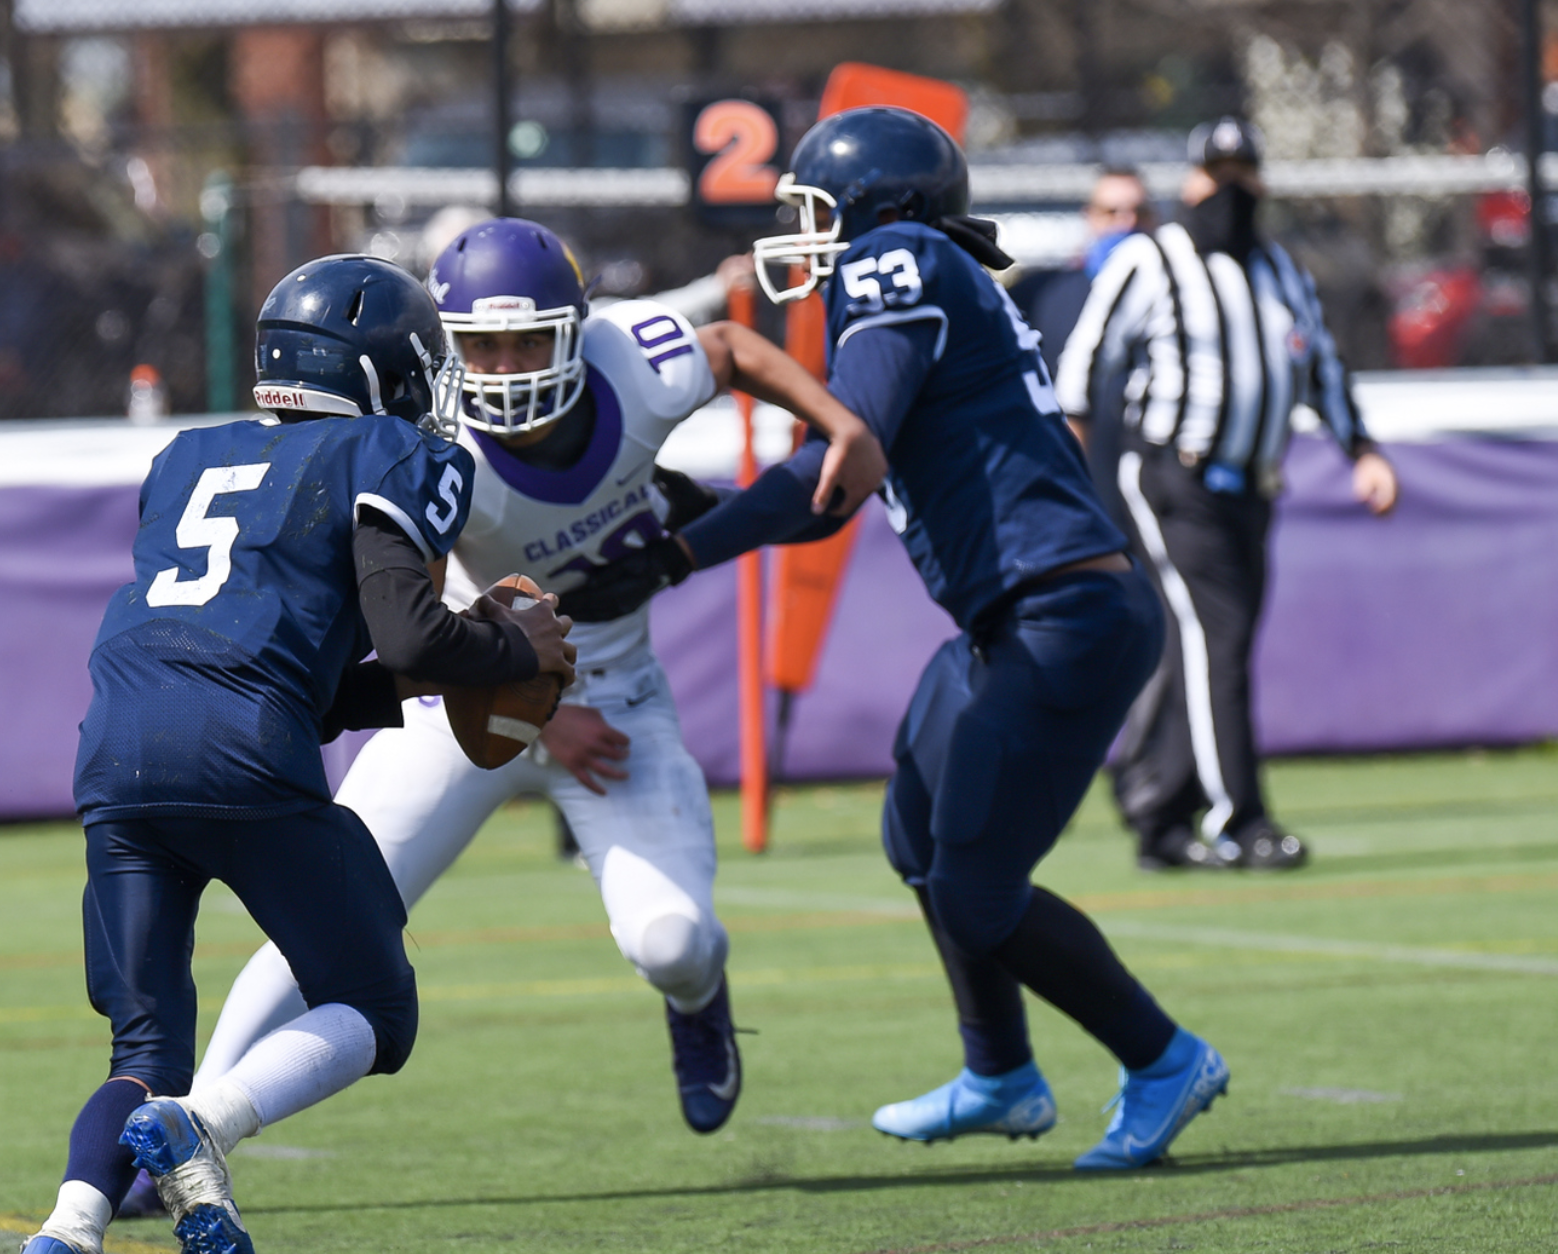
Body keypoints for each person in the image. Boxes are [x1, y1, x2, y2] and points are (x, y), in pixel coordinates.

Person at [130, 218, 881, 1197]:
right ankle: (185, 1131)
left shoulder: (635, 364)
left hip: (613, 700)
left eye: (528, 340)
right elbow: (415, 624)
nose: (506, 367)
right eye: (482, 346)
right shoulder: (440, 452)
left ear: (577, 329)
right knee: (316, 930)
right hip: (459, 702)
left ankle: (698, 1002)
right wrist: (540, 712)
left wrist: (839, 420)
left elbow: (733, 347)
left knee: (673, 942)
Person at [558, 107, 1227, 1171]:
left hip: (1060, 617)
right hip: (1011, 620)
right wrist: (697, 514)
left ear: (884, 209)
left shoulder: (895, 257)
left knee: (976, 889)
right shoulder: (916, 276)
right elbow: (836, 483)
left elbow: (835, 466)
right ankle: (1001, 1075)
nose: (807, 236)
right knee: (916, 836)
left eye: (819, 212)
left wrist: (684, 550)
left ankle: (1163, 1058)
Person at [6, 254, 575, 1254]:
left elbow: (290, 671)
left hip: (116, 748)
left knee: (142, 1047)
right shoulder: (392, 449)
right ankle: (204, 1125)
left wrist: (422, 680)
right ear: (384, 373)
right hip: (243, 752)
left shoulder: (186, 458)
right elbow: (409, 631)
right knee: (377, 1007)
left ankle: (65, 1244)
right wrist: (513, 651)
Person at [1055, 117, 1400, 871]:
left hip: (1254, 483)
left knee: (1207, 647)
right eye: (1219, 174)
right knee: (1220, 638)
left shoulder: (1279, 268)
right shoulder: (1153, 258)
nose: (1232, 190)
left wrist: (1362, 450)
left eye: (1245, 173)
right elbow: (1084, 364)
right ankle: (1239, 818)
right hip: (1173, 477)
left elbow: (1320, 367)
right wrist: (1068, 467)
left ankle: (1161, 814)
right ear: (1192, 182)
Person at [1013, 166, 1153, 377]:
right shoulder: (1043, 294)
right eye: (1111, 212)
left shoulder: (1179, 295)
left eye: (1140, 212)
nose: (1127, 222)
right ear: (1090, 216)